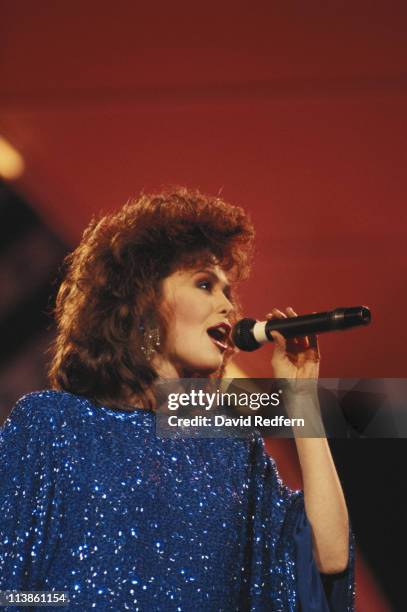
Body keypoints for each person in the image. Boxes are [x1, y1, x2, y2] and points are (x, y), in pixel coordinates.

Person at [0, 188, 354, 610]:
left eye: (228, 291)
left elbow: (327, 559)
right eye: (205, 284)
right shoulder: (52, 425)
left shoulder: (232, 449)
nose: (228, 305)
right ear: (144, 301)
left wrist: (301, 398)